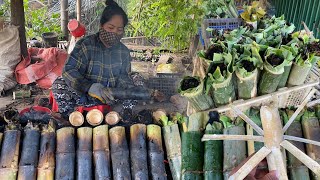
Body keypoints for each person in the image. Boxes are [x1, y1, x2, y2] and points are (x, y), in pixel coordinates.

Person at [52, 0, 141, 116]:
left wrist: (121, 90)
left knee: (137, 88)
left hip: (111, 98)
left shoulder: (123, 51)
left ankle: (116, 116)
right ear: (101, 26)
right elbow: (69, 70)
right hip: (85, 96)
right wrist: (89, 87)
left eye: (119, 30)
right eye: (111, 27)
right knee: (59, 84)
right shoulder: (85, 45)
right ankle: (75, 117)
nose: (115, 32)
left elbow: (124, 77)